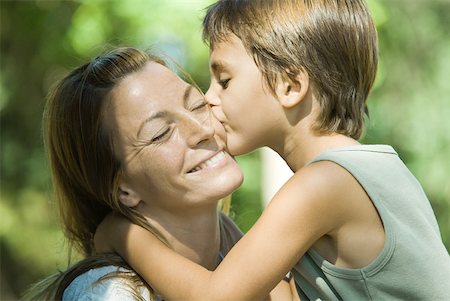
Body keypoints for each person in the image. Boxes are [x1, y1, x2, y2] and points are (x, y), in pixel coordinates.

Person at [96, 0, 450, 300]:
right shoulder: (372, 169)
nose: (208, 98)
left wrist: (125, 236)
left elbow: (216, 296)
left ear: (290, 85)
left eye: (224, 80)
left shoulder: (322, 185)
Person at [22, 46, 294, 301]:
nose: (203, 130)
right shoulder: (110, 292)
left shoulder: (232, 255)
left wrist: (123, 235)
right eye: (161, 133)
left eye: (197, 106)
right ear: (123, 190)